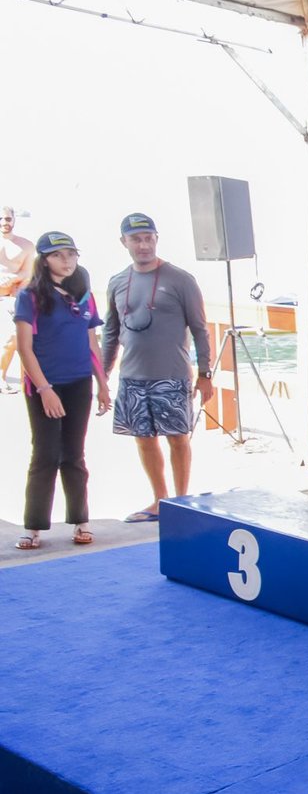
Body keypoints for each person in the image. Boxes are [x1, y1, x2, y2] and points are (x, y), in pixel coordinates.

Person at [101, 213, 214, 522]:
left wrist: (205, 373)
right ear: (124, 242)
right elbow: (110, 332)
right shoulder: (117, 282)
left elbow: (200, 329)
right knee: (143, 438)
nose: (143, 245)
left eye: (148, 238)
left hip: (171, 375)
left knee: (178, 437)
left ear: (156, 239)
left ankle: (181, 499)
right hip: (132, 376)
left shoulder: (180, 279)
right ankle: (159, 499)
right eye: (136, 239)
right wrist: (102, 376)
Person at [12, 232, 112, 549]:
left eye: (71, 254)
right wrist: (44, 389)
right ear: (44, 260)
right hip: (44, 385)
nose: (66, 260)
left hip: (79, 383)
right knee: (45, 454)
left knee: (74, 454)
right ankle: (33, 527)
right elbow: (24, 348)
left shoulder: (84, 295)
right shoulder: (30, 296)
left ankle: (81, 521)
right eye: (58, 255)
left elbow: (92, 342)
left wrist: (103, 384)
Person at [0, 205, 36, 392]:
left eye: (7, 218)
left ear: (13, 219)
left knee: (12, 338)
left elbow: (27, 273)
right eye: (1, 219)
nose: (4, 222)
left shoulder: (26, 246)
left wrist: (12, 279)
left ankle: (1, 376)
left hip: (10, 298)